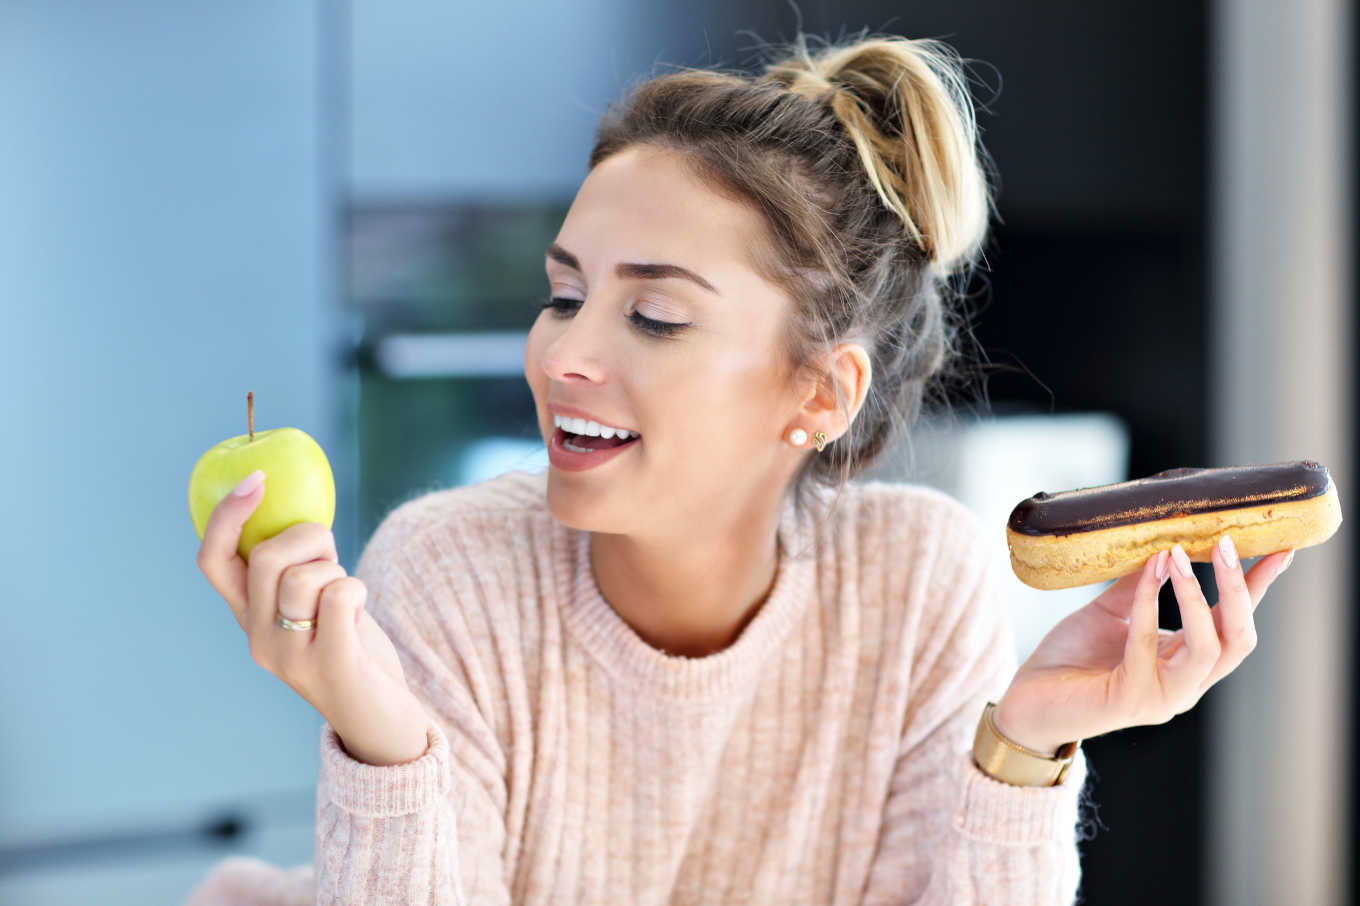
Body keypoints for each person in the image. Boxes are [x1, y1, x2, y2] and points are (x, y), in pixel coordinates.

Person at [185, 30, 1294, 906]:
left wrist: (1029, 740)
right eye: (564, 293)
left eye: (654, 316)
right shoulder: (453, 569)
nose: (563, 354)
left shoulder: (914, 580)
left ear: (819, 392)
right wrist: (383, 732)